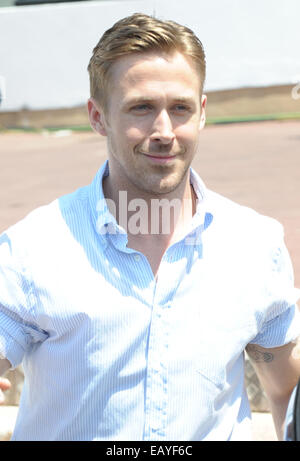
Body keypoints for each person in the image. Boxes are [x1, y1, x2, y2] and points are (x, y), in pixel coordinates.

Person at [0, 13, 300, 442]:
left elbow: (286, 389)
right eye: (141, 108)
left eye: (179, 108)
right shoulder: (32, 250)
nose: (163, 131)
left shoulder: (254, 246)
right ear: (98, 116)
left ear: (201, 113)